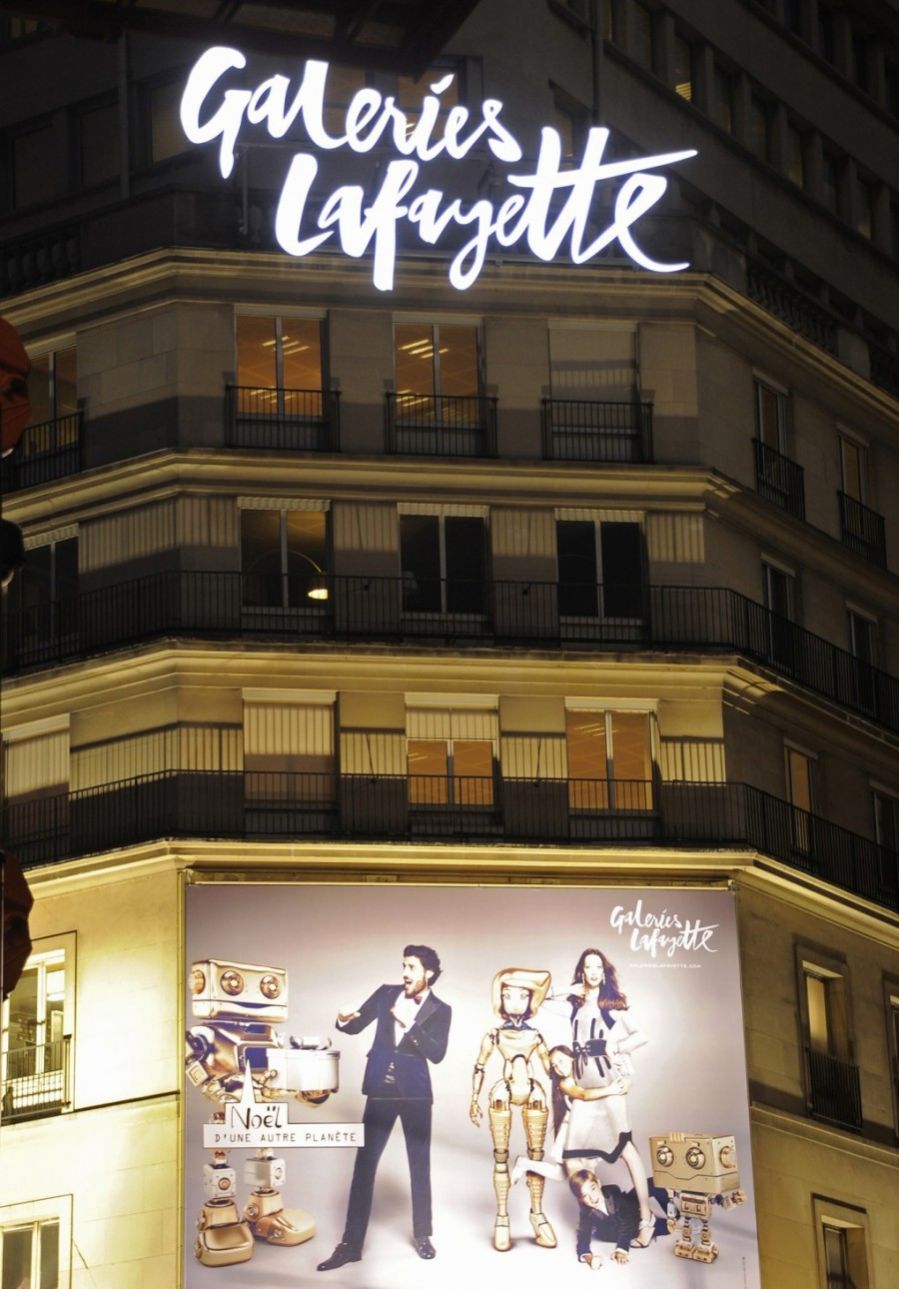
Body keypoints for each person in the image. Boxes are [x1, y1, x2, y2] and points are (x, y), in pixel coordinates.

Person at [316, 945, 451, 1271]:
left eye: (412, 967)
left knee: (419, 1166)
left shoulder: (441, 1009)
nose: (405, 973)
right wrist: (342, 1018)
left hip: (416, 1095)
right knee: (363, 1166)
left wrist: (410, 1024)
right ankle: (350, 1245)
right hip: (380, 1089)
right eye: (404, 965)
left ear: (428, 973)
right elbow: (354, 1026)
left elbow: (437, 1054)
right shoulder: (386, 993)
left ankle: (423, 1235)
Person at [561, 948, 655, 1249]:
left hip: (609, 1087)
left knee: (626, 1151)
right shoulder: (575, 1002)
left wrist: (617, 1048)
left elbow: (641, 1035)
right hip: (584, 1093)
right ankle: (593, 1218)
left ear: (604, 971)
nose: (593, 972)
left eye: (597, 967)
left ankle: (646, 1220)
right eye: (587, 967)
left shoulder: (610, 1003)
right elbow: (541, 1001)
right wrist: (570, 989)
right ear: (581, 971)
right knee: (572, 1157)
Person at [569, 1169, 673, 1267]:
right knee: (665, 1227)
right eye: (585, 1195)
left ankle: (674, 1214)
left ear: (598, 1184)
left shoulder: (612, 1191)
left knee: (652, 1183)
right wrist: (620, 1249)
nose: (592, 1197)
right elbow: (583, 1236)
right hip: (616, 1230)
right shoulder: (586, 1212)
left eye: (593, 1189)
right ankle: (655, 1226)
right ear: (580, 1199)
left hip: (626, 1208)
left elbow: (625, 1214)